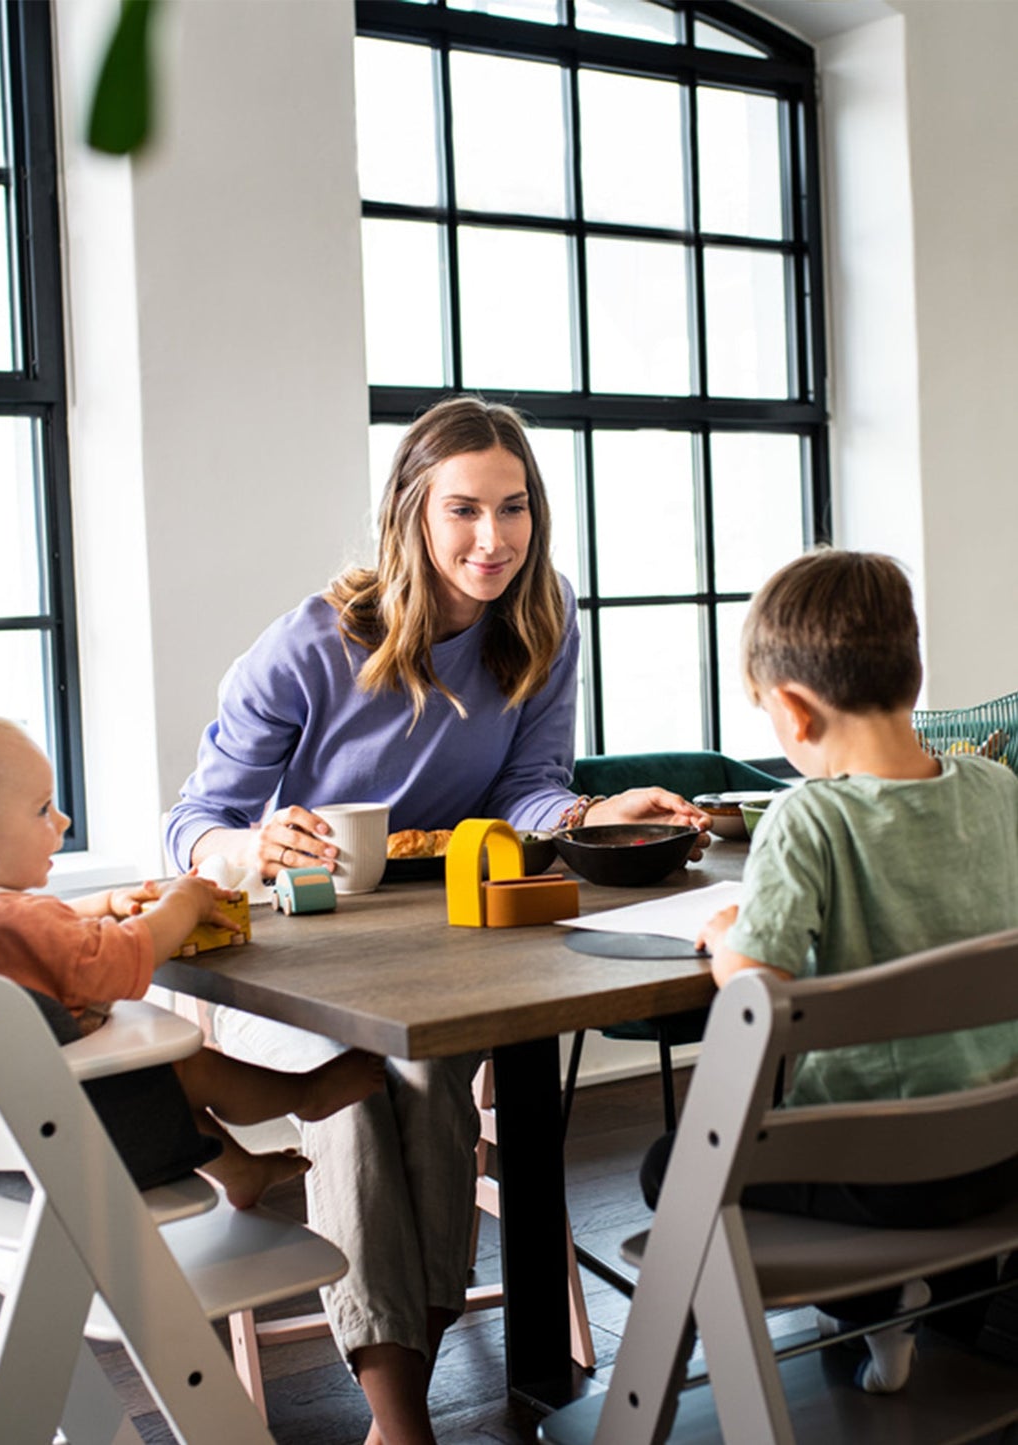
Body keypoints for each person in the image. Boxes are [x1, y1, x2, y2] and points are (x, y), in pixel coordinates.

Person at [164, 395, 710, 1445]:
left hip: (442, 946)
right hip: (291, 956)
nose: (492, 538)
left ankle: (398, 1403)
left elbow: (527, 788)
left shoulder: (541, 618)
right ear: (410, 512)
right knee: (358, 1091)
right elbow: (191, 822)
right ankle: (403, 1416)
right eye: (462, 509)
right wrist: (250, 845)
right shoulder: (311, 643)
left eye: (513, 508)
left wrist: (590, 813)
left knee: (420, 1080)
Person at [658, 548, 1018, 1394]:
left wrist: (729, 936)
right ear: (912, 675)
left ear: (791, 708)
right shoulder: (997, 787)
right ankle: (916, 1309)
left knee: (672, 1164)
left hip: (879, 1173)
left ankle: (872, 1303)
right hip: (999, 1150)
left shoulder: (807, 816)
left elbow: (758, 988)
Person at [0, 711, 386, 1210]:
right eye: (42, 810)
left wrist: (103, 903)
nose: (62, 820)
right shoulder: (7, 920)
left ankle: (241, 1172)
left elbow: (37, 929)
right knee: (184, 1068)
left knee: (153, 1070)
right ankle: (308, 1093)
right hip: (80, 1125)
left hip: (22, 1117)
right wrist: (183, 903)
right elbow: (121, 961)